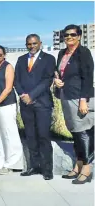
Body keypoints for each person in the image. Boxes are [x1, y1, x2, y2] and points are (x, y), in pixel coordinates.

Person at [54, 24, 94, 184]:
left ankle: (86, 168)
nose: (69, 37)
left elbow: (88, 77)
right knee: (75, 132)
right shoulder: (62, 53)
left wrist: (83, 99)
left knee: (84, 132)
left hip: (80, 97)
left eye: (72, 34)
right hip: (65, 96)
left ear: (79, 36)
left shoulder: (83, 53)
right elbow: (59, 72)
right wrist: (56, 80)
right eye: (66, 35)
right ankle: (78, 165)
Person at [14, 34, 56, 180]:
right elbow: (16, 80)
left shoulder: (49, 59)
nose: (31, 46)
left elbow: (47, 80)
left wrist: (31, 96)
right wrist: (23, 95)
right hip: (26, 105)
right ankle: (34, 166)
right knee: (30, 136)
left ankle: (47, 169)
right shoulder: (20, 60)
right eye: (29, 44)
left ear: (40, 43)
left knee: (43, 136)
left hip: (42, 104)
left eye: (34, 44)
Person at [0, 45, 23, 175]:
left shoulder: (8, 67)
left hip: (6, 104)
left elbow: (8, 88)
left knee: (8, 133)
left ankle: (11, 163)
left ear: (4, 55)